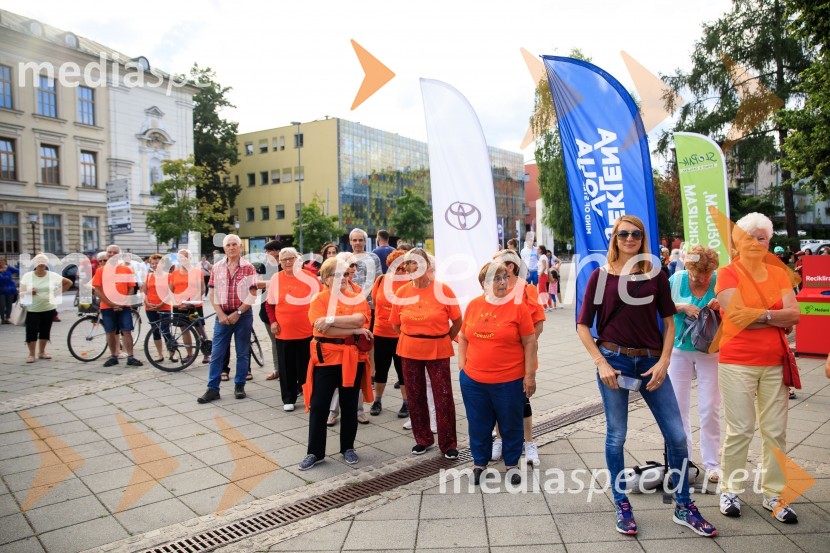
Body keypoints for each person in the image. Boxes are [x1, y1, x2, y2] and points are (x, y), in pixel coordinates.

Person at [576, 215, 716, 537]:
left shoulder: (656, 274)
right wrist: (600, 362)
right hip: (613, 361)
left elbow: (669, 323)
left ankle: (683, 505)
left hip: (652, 363)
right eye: (623, 233)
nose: (629, 238)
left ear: (642, 238)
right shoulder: (600, 276)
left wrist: (665, 360)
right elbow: (583, 326)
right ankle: (621, 501)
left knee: (677, 436)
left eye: (635, 234)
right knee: (617, 436)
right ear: (614, 238)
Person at [716, 212, 800, 523]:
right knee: (739, 430)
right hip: (737, 361)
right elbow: (735, 316)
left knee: (775, 432)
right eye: (751, 237)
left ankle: (773, 494)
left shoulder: (779, 275)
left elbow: (795, 315)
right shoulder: (728, 273)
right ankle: (730, 489)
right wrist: (772, 315)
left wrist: (759, 316)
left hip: (775, 362)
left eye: (762, 237)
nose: (757, 243)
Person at [459, 262, 537, 485]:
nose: (503, 282)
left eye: (504, 277)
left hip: (509, 380)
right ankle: (479, 462)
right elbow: (463, 336)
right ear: (484, 284)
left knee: (510, 423)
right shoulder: (474, 305)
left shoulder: (518, 306)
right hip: (474, 381)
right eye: (497, 278)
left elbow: (530, 341)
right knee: (478, 423)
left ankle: (512, 463)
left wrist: (529, 375)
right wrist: (462, 365)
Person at [299, 256, 374, 470]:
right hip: (326, 358)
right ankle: (315, 452)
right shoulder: (319, 299)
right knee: (319, 406)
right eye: (337, 274)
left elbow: (360, 319)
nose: (343, 278)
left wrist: (332, 319)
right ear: (326, 278)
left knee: (350, 405)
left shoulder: (356, 297)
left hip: (352, 359)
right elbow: (319, 329)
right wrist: (354, 330)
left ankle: (348, 447)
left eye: (345, 274)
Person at [390, 248, 462, 459]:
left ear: (427, 265)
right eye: (408, 264)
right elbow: (396, 324)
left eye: (416, 263)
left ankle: (448, 443)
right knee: (415, 395)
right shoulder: (402, 292)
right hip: (409, 349)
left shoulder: (443, 290)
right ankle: (423, 439)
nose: (412, 267)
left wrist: (443, 338)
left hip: (438, 348)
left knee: (443, 396)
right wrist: (413, 336)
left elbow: (457, 321)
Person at [667, 245, 721, 482]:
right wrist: (681, 307)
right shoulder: (677, 279)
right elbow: (661, 309)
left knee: (710, 408)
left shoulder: (719, 280)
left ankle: (712, 463)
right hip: (679, 350)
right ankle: (683, 460)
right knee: (678, 407)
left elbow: (735, 309)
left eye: (706, 274)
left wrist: (721, 305)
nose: (702, 279)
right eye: (697, 274)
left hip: (710, 350)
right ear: (688, 268)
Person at [490, 249, 545, 466]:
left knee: (523, 399)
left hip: (521, 355)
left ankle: (529, 443)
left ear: (510, 267)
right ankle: (500, 439)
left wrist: (525, 344)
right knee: (495, 399)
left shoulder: (526, 290)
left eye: (497, 264)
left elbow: (538, 323)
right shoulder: (494, 289)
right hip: (496, 355)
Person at [198, 234, 258, 403]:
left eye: (234, 244)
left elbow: (252, 294)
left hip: (243, 315)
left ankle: (240, 385)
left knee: (242, 352)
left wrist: (238, 313)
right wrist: (220, 314)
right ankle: (212, 388)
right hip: (222, 315)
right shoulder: (216, 267)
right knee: (217, 353)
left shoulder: (248, 268)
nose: (231, 247)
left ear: (240, 247)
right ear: (224, 248)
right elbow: (212, 293)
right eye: (228, 245)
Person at [266, 247, 320, 411]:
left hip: (306, 329)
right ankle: (288, 398)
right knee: (286, 366)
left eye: (291, 258)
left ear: (298, 260)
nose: (288, 262)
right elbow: (269, 304)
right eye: (284, 260)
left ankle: (309, 396)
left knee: (306, 365)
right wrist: (273, 322)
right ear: (280, 263)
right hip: (284, 330)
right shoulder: (276, 278)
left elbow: (320, 300)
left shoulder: (309, 277)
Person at [368, 249, 409, 418]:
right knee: (381, 369)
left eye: (402, 267)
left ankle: (406, 402)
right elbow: (375, 303)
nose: (399, 271)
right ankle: (377, 400)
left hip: (401, 334)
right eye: (395, 267)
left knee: (402, 371)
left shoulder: (410, 283)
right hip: (381, 332)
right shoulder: (381, 280)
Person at [92, 244, 142, 367]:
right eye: (110, 252)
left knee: (127, 331)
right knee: (110, 332)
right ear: (107, 253)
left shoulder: (126, 269)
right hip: (107, 306)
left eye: (115, 252)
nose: (112, 254)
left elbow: (131, 287)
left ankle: (130, 356)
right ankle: (113, 356)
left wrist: (124, 302)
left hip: (124, 306)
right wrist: (110, 303)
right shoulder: (100, 271)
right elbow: (97, 289)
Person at [19, 254, 71, 362]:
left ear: (46, 264)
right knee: (31, 331)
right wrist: (29, 292)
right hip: (32, 309)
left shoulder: (52, 275)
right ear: (34, 264)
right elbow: (21, 292)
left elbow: (68, 282)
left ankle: (42, 352)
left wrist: (56, 293)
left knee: (45, 330)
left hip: (49, 308)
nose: (41, 264)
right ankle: (31, 354)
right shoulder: (27, 276)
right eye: (38, 261)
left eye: (43, 261)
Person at [170, 249, 208, 364]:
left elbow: (201, 289)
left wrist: (189, 303)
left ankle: (207, 353)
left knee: (199, 329)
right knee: (184, 329)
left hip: (193, 305)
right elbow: (171, 290)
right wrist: (177, 304)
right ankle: (189, 354)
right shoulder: (175, 273)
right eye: (180, 256)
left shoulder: (196, 272)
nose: (183, 258)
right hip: (179, 306)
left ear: (189, 258)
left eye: (185, 256)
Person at [142, 254, 172, 363]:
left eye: (157, 263)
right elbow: (144, 291)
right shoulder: (149, 276)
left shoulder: (168, 276)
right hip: (150, 307)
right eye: (153, 263)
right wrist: (147, 302)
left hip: (164, 306)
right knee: (155, 331)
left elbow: (170, 292)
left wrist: (161, 303)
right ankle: (160, 354)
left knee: (165, 330)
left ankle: (171, 353)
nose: (155, 265)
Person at [259, 240, 282, 380]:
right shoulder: (264, 266)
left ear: (278, 251)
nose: (267, 254)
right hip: (267, 308)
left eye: (270, 251)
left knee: (285, 342)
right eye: (266, 251)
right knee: (274, 342)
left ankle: (287, 370)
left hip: (284, 308)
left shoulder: (285, 265)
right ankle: (277, 369)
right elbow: (260, 284)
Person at [0, 256, 19, 324]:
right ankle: (2, 318)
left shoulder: (9, 268)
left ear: (5, 261)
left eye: (2, 260)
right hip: (1, 290)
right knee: (2, 305)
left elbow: (18, 271)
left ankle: (7, 317)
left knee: (9, 304)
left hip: (10, 289)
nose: (1, 262)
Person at [537, 245, 551, 312]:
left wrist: (540, 274)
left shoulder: (542, 257)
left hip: (542, 275)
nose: (537, 250)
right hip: (544, 274)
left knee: (541, 291)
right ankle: (548, 304)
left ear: (541, 250)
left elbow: (544, 267)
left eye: (538, 249)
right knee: (544, 290)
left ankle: (545, 306)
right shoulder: (543, 257)